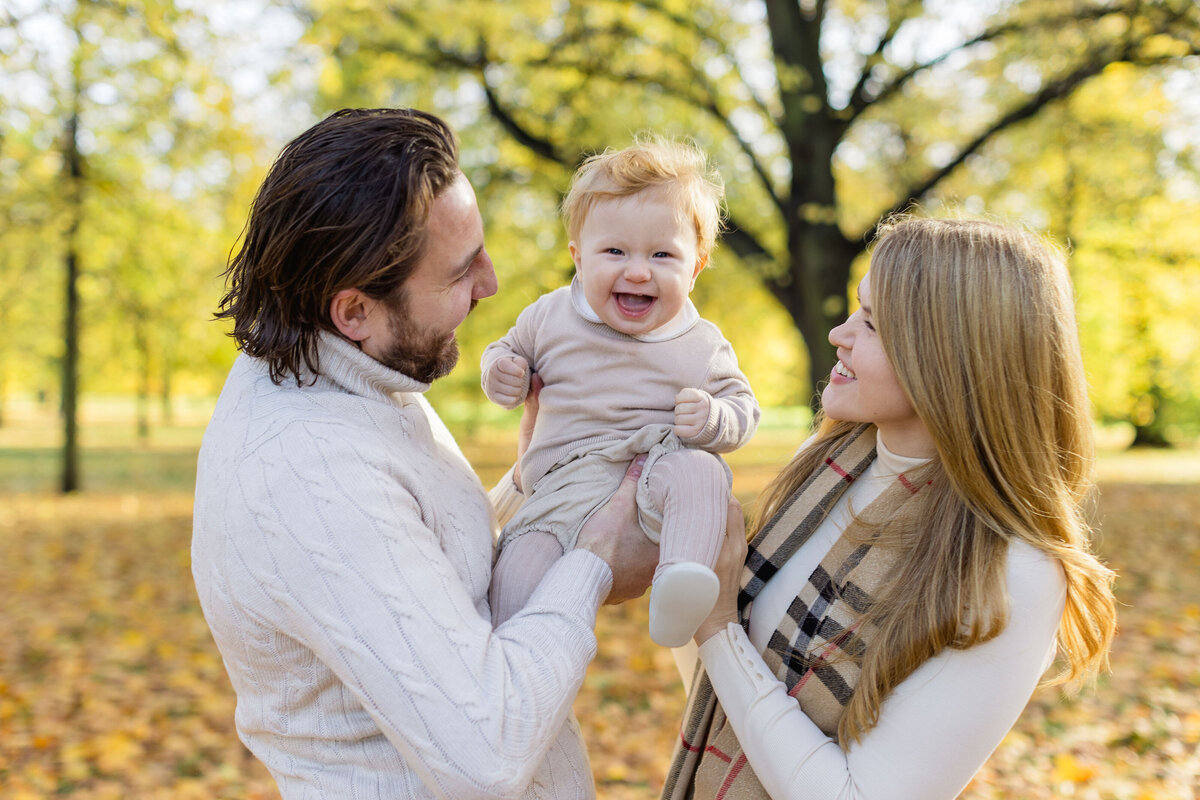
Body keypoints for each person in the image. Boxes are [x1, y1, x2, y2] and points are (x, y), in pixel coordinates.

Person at [190, 107, 661, 800]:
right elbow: (485, 756)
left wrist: (557, 477)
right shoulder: (308, 473)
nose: (491, 284)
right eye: (460, 271)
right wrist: (591, 562)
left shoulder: (359, 373)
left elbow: (427, 566)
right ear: (354, 312)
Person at [663, 215, 1118, 800]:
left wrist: (718, 627)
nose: (839, 334)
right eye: (857, 308)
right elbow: (714, 691)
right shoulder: (825, 464)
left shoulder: (1009, 571)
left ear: (952, 358)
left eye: (872, 325)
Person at [480, 138, 760, 647]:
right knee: (516, 577)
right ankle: (508, 664)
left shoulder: (700, 343)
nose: (637, 270)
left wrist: (714, 417)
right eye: (615, 251)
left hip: (655, 475)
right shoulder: (549, 316)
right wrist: (502, 372)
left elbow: (744, 408)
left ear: (695, 267)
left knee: (701, 472)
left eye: (662, 254)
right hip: (561, 488)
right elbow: (504, 350)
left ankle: (682, 579)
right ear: (578, 259)